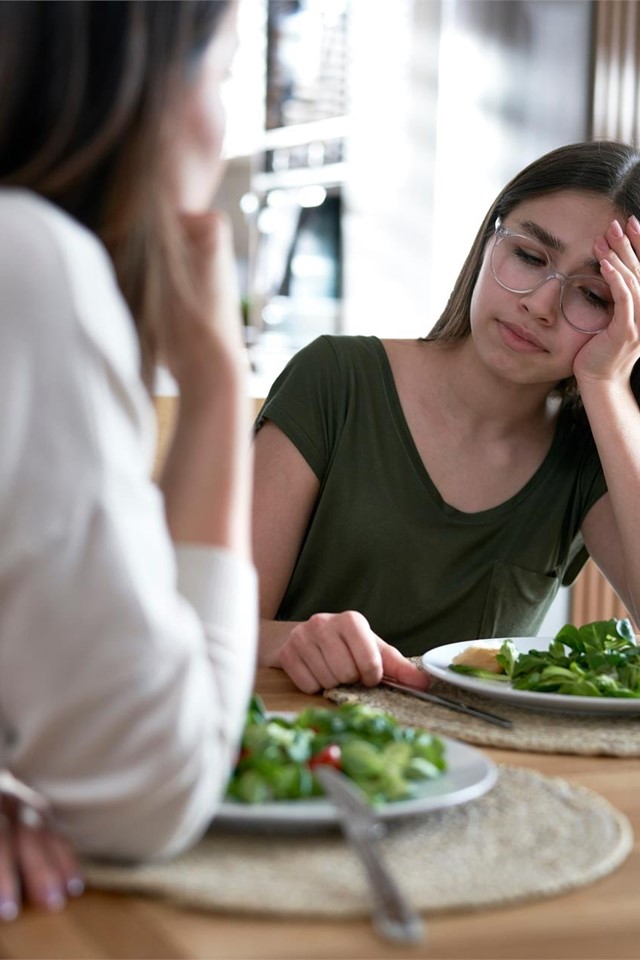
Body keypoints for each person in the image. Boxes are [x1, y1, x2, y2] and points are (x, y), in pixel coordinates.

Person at [0, 0, 256, 918]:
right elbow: (154, 787)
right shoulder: (31, 263)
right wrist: (220, 383)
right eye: (222, 73)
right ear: (137, 79)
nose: (220, 132)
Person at [253, 139, 640, 694]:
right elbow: (214, 627)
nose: (539, 305)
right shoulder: (335, 379)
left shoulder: (591, 451)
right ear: (490, 242)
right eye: (530, 257)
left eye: (594, 295)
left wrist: (606, 384)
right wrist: (291, 642)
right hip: (293, 757)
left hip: (483, 769)